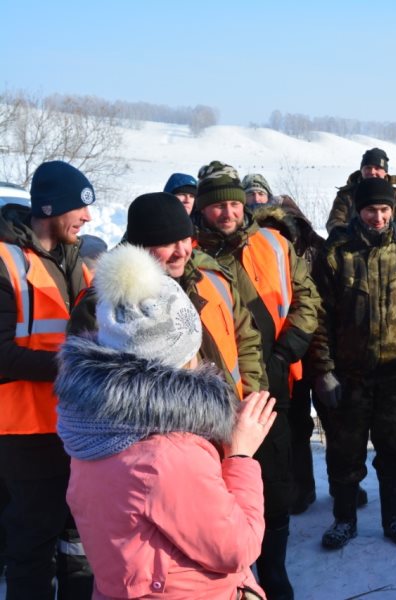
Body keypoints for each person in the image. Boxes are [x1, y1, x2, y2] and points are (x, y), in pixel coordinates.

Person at [57, 244, 274, 599]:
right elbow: (237, 547)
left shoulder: (94, 423)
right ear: (181, 351)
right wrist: (240, 457)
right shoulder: (166, 455)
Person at [193, 161, 320, 600]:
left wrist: (288, 352)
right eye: (217, 206)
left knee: (274, 480)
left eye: (233, 203)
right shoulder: (187, 253)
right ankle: (231, 574)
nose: (227, 213)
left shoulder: (274, 242)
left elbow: (307, 299)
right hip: (213, 395)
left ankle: (274, 570)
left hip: (274, 382)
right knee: (217, 484)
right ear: (202, 210)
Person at [310, 177, 396, 549]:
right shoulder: (336, 254)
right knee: (344, 451)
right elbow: (318, 318)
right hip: (349, 376)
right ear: (358, 211)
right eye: (371, 210)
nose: (379, 217)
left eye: (384, 210)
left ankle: (394, 517)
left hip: (395, 377)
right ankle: (344, 519)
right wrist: (324, 371)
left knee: (395, 449)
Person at [0, 160, 95, 598]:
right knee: (33, 543)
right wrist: (77, 363)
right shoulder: (5, 261)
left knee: (76, 539)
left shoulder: (76, 261)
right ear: (50, 207)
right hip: (24, 430)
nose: (88, 217)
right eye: (80, 207)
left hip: (73, 424)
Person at [69, 192, 267, 399]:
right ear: (140, 248)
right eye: (167, 243)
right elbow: (90, 391)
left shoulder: (211, 277)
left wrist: (249, 396)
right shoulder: (105, 305)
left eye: (185, 239)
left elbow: (247, 340)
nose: (182, 251)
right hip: (175, 428)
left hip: (235, 416)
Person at [325, 147, 396, 234]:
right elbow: (334, 224)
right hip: (352, 246)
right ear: (361, 170)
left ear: (385, 172)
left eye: (377, 168)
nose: (372, 172)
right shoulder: (346, 196)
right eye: (368, 168)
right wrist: (354, 234)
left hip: (391, 247)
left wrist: (389, 235)